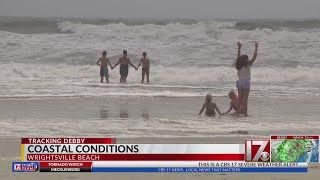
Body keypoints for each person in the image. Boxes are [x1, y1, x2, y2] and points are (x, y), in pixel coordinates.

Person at [235, 41, 259, 116]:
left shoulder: (238, 65)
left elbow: (238, 57)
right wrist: (256, 47)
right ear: (246, 60)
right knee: (245, 99)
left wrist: (239, 48)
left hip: (240, 82)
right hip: (246, 82)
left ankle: (237, 113)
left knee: (239, 99)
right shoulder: (248, 65)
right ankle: (245, 114)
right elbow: (254, 57)